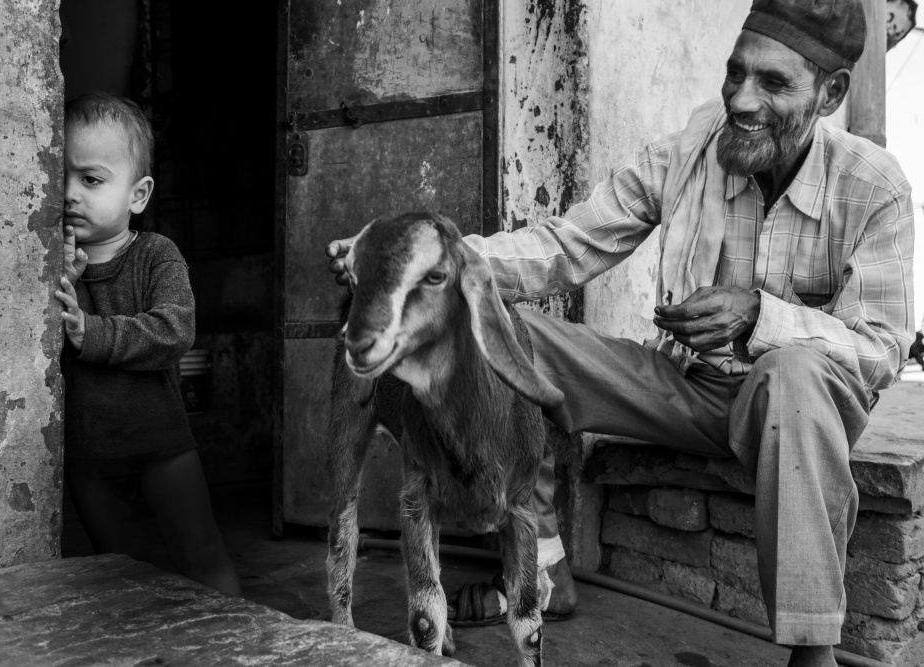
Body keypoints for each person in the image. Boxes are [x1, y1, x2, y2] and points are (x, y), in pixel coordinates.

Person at [326, 0, 915, 664]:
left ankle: (813, 653)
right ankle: (541, 568)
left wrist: (758, 317)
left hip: (792, 405)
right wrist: (424, 262)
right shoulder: (693, 151)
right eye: (735, 73)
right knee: (504, 330)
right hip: (683, 385)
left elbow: (881, 348)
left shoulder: (873, 187)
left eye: (773, 83)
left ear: (830, 93)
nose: (742, 100)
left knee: (795, 372)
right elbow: (566, 245)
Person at [54, 93, 241, 597]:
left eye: (91, 180)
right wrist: (62, 286)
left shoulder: (157, 256)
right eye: (61, 176)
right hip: (89, 456)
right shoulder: (49, 263)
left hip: (161, 446)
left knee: (202, 555)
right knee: (119, 572)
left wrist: (91, 333)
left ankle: (233, 641)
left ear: (138, 195)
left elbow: (175, 330)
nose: (71, 194)